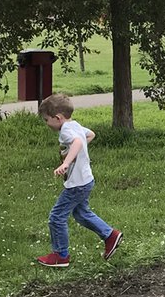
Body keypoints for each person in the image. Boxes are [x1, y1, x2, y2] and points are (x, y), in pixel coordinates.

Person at [34, 93, 122, 267]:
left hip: (77, 184)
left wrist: (66, 162)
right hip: (86, 179)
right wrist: (75, 153)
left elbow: (78, 143)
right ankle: (110, 235)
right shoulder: (75, 125)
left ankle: (61, 255)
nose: (46, 124)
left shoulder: (66, 130)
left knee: (56, 217)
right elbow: (90, 135)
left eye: (46, 120)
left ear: (57, 118)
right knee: (81, 213)